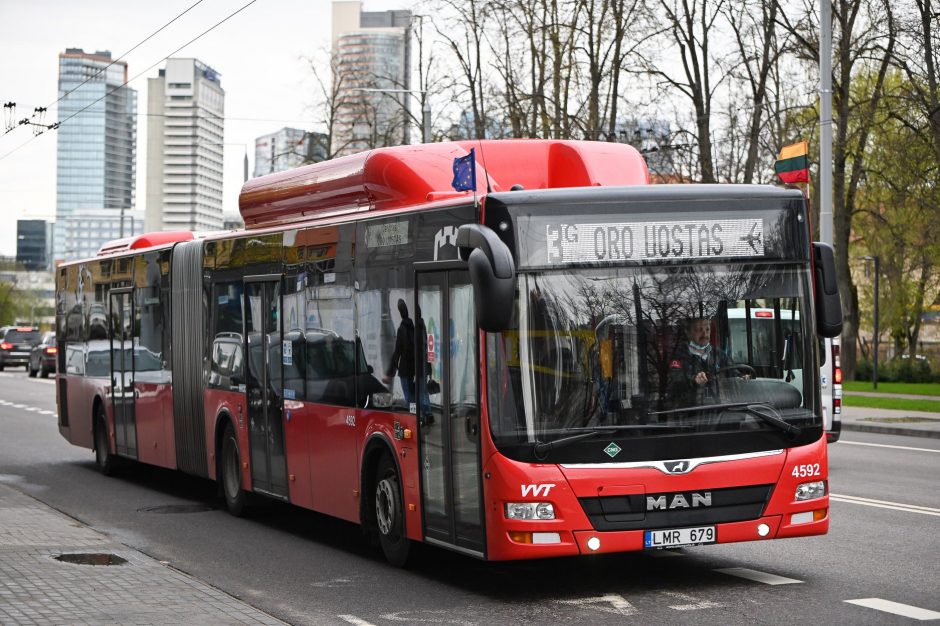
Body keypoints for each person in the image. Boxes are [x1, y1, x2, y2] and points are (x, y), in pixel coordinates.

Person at [669, 316, 749, 405]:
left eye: (707, 329)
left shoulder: (718, 354)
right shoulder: (678, 356)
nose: (704, 334)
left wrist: (742, 377)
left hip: (718, 409)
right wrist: (693, 379)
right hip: (691, 412)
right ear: (688, 333)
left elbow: (732, 371)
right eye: (699, 330)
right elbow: (675, 381)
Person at [383, 299, 417, 408]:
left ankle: (411, 419)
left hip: (404, 368)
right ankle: (414, 415)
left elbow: (397, 352)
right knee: (411, 394)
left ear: (400, 313)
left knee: (408, 397)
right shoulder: (413, 329)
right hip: (412, 368)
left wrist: (389, 373)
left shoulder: (401, 329)